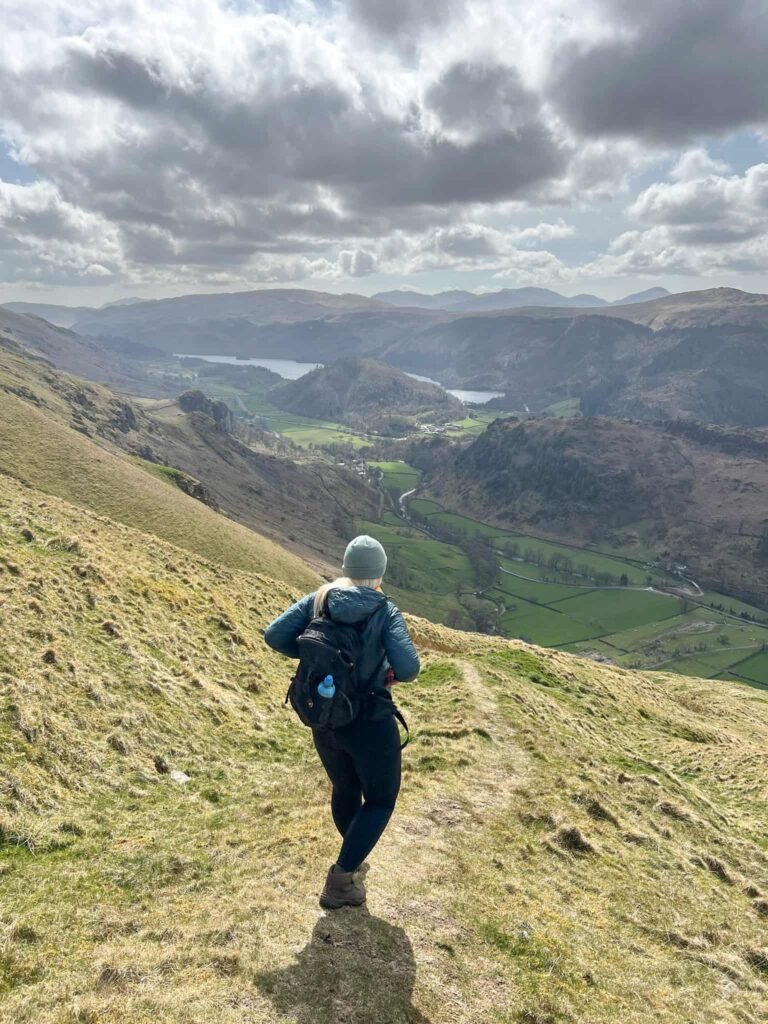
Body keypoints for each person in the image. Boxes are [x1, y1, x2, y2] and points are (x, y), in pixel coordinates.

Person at [264, 535, 420, 910]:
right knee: (381, 799)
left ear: (347, 567)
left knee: (345, 788)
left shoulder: (320, 598)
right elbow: (410, 668)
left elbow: (274, 635)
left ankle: (352, 856)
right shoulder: (384, 610)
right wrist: (388, 673)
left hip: (324, 715)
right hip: (368, 718)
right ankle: (342, 878)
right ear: (379, 574)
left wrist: (312, 661)